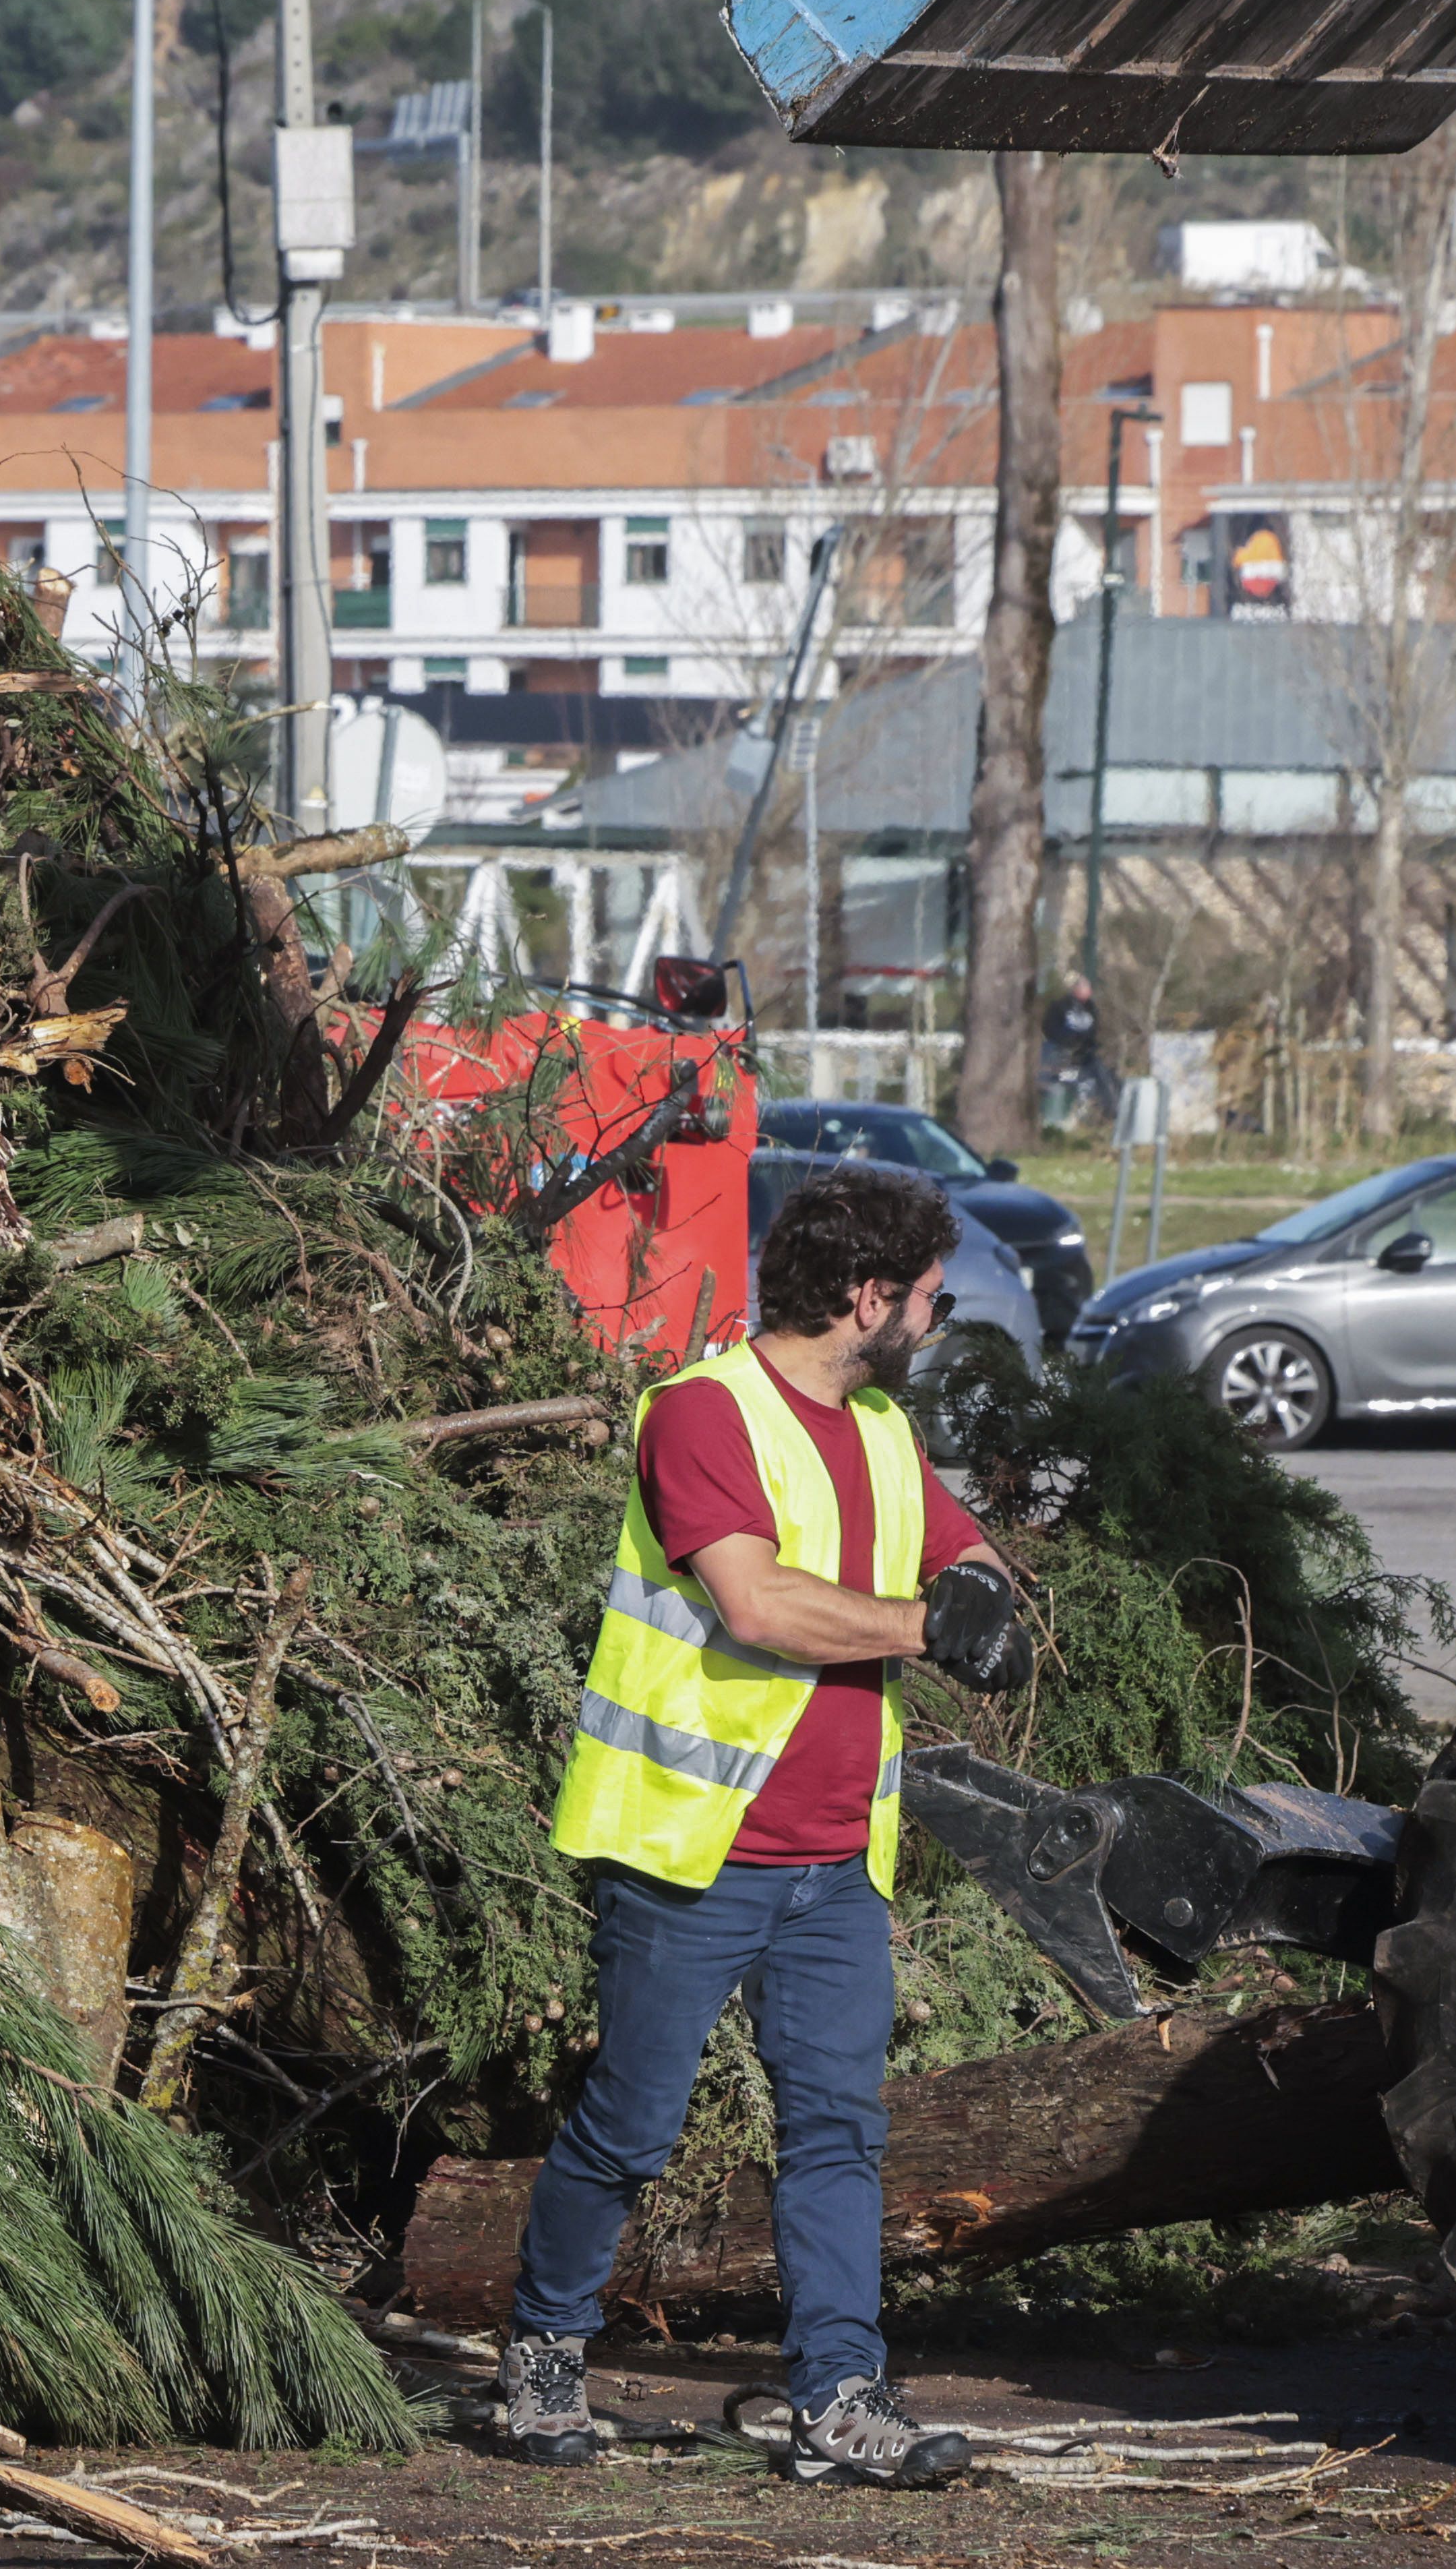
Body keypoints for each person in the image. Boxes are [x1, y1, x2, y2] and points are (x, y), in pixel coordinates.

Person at [489, 1163, 1035, 2488]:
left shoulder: (883, 1438)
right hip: (692, 1853)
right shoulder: (697, 1415)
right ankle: (540, 2355)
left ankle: (838, 2400)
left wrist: (971, 1591)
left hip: (836, 1863)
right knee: (628, 2128)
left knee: (838, 2137)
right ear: (866, 1297)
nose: (929, 1316)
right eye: (923, 1295)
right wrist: (927, 1630)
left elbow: (958, 1554)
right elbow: (754, 1605)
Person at [1039, 973, 1103, 1132]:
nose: (1088, 991)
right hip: (1058, 1051)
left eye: (1088, 988)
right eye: (1084, 987)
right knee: (1058, 1083)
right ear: (1076, 989)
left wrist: (1085, 1046)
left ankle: (1082, 1118)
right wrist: (1067, 1042)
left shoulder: (1091, 1009)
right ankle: (1052, 1120)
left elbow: (1094, 1031)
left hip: (1083, 1055)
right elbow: (1049, 1028)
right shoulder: (1060, 1006)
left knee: (1087, 1082)